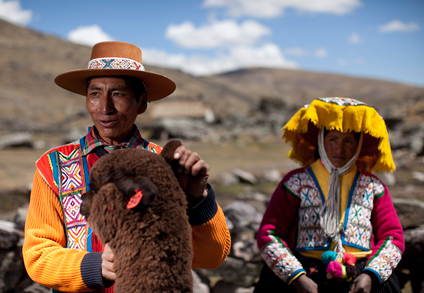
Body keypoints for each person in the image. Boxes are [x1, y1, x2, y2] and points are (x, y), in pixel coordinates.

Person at [22, 41, 231, 292]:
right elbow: (38, 257)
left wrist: (197, 198)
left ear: (141, 103)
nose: (105, 108)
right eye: (95, 94)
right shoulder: (54, 166)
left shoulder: (165, 165)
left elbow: (211, 257)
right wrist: (94, 267)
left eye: (118, 94)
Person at [254, 97, 404, 293]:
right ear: (321, 141)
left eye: (348, 140)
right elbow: (269, 234)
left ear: (358, 146)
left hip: (362, 278)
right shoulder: (296, 182)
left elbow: (392, 237)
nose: (339, 148)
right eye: (332, 139)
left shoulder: (374, 187)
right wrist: (297, 277)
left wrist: (371, 275)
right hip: (303, 278)